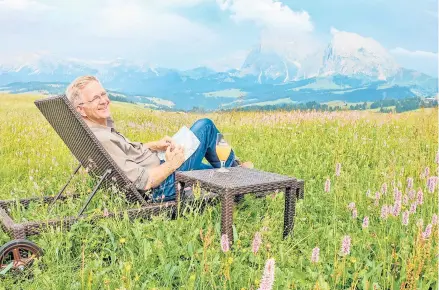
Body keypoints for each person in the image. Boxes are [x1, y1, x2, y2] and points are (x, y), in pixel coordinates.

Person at [65, 75, 253, 201]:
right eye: (95, 98)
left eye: (103, 94)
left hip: (160, 165)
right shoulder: (103, 139)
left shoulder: (97, 129)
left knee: (207, 169)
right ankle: (238, 176)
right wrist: (172, 164)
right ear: (80, 109)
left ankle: (238, 175)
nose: (104, 100)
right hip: (164, 185)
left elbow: (126, 155)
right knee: (205, 126)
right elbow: (144, 182)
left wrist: (153, 146)